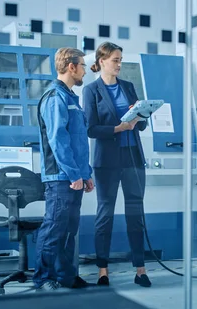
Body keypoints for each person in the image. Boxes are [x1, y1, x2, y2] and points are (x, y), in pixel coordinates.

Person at [82, 42, 152, 287]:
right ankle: (103, 271)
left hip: (132, 157)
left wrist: (140, 114)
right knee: (105, 214)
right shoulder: (91, 91)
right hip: (107, 162)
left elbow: (141, 125)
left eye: (121, 59)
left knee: (135, 214)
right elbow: (90, 129)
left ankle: (141, 270)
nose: (119, 64)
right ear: (102, 61)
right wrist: (117, 128)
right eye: (115, 60)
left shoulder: (128, 87)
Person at [33, 47, 95, 291]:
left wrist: (85, 174)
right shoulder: (54, 97)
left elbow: (79, 143)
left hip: (74, 177)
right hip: (61, 178)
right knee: (54, 229)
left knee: (69, 231)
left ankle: (65, 276)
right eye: (82, 66)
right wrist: (73, 174)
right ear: (71, 67)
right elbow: (58, 141)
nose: (84, 71)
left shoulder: (71, 99)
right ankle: (43, 279)